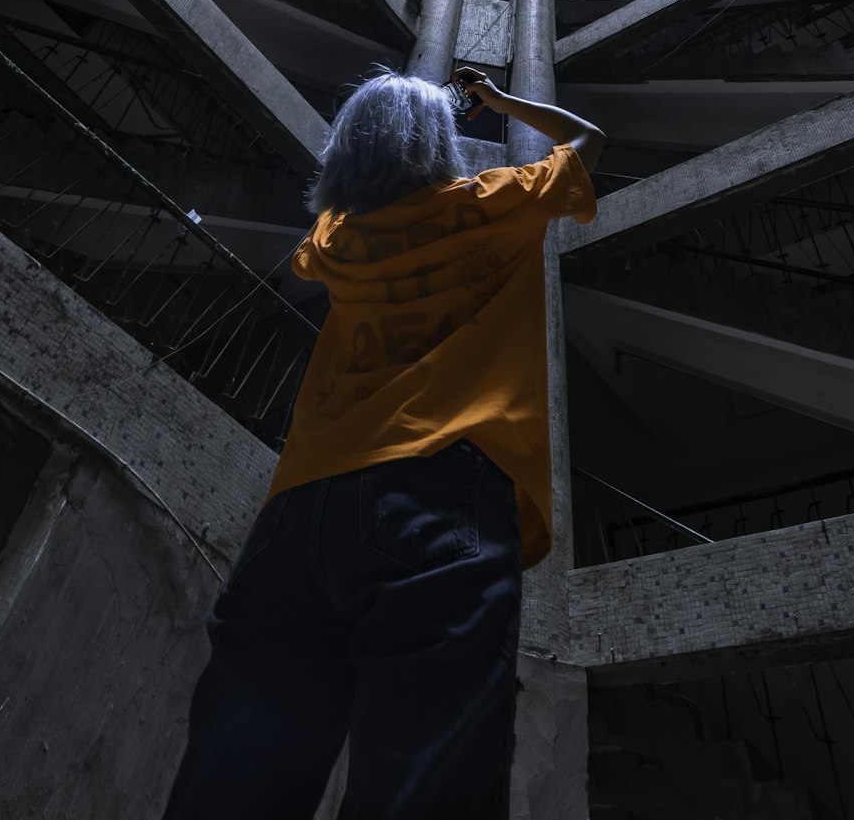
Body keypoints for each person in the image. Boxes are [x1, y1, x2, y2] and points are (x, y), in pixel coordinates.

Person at [160, 64, 604, 820]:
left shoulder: (336, 239)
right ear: (438, 139)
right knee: (422, 787)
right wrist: (497, 101)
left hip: (301, 509)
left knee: (233, 784)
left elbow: (326, 222)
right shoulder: (497, 202)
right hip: (439, 495)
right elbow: (589, 141)